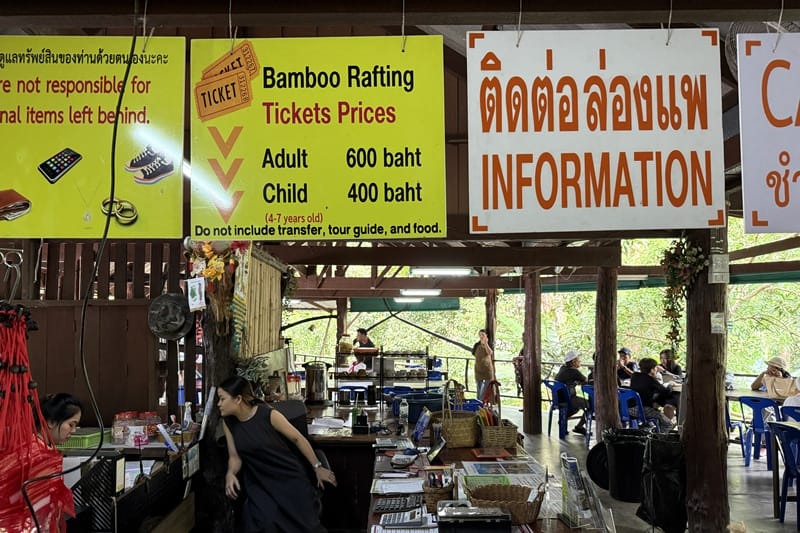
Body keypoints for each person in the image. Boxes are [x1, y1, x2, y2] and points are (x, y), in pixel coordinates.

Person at [219, 376, 336, 532]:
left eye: (222, 399)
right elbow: (234, 456)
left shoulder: (268, 415)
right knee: (264, 522)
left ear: (238, 399)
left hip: (287, 477)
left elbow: (298, 439)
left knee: (304, 525)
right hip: (259, 481)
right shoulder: (228, 422)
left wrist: (317, 467)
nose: (219, 404)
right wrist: (230, 473)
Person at [629, 357, 675, 432]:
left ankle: (652, 430)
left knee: (655, 410)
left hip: (630, 409)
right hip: (643, 411)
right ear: (652, 370)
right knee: (668, 424)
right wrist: (670, 385)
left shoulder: (634, 376)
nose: (657, 370)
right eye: (656, 368)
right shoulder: (651, 380)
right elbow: (665, 392)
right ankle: (658, 438)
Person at [554, 351, 588, 435]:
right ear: (573, 362)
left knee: (577, 407)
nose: (580, 361)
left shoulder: (562, 368)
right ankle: (579, 427)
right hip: (568, 399)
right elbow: (585, 380)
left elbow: (569, 380)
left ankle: (563, 419)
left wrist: (575, 382)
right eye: (578, 360)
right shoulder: (574, 371)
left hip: (558, 399)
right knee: (590, 404)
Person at [471, 329, 495, 401]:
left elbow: (490, 352)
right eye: (480, 335)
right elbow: (474, 354)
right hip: (478, 368)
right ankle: (478, 401)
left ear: (486, 335)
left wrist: (486, 343)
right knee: (479, 387)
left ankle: (481, 401)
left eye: (483, 335)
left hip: (487, 369)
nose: (481, 336)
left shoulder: (490, 344)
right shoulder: (476, 345)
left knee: (486, 387)